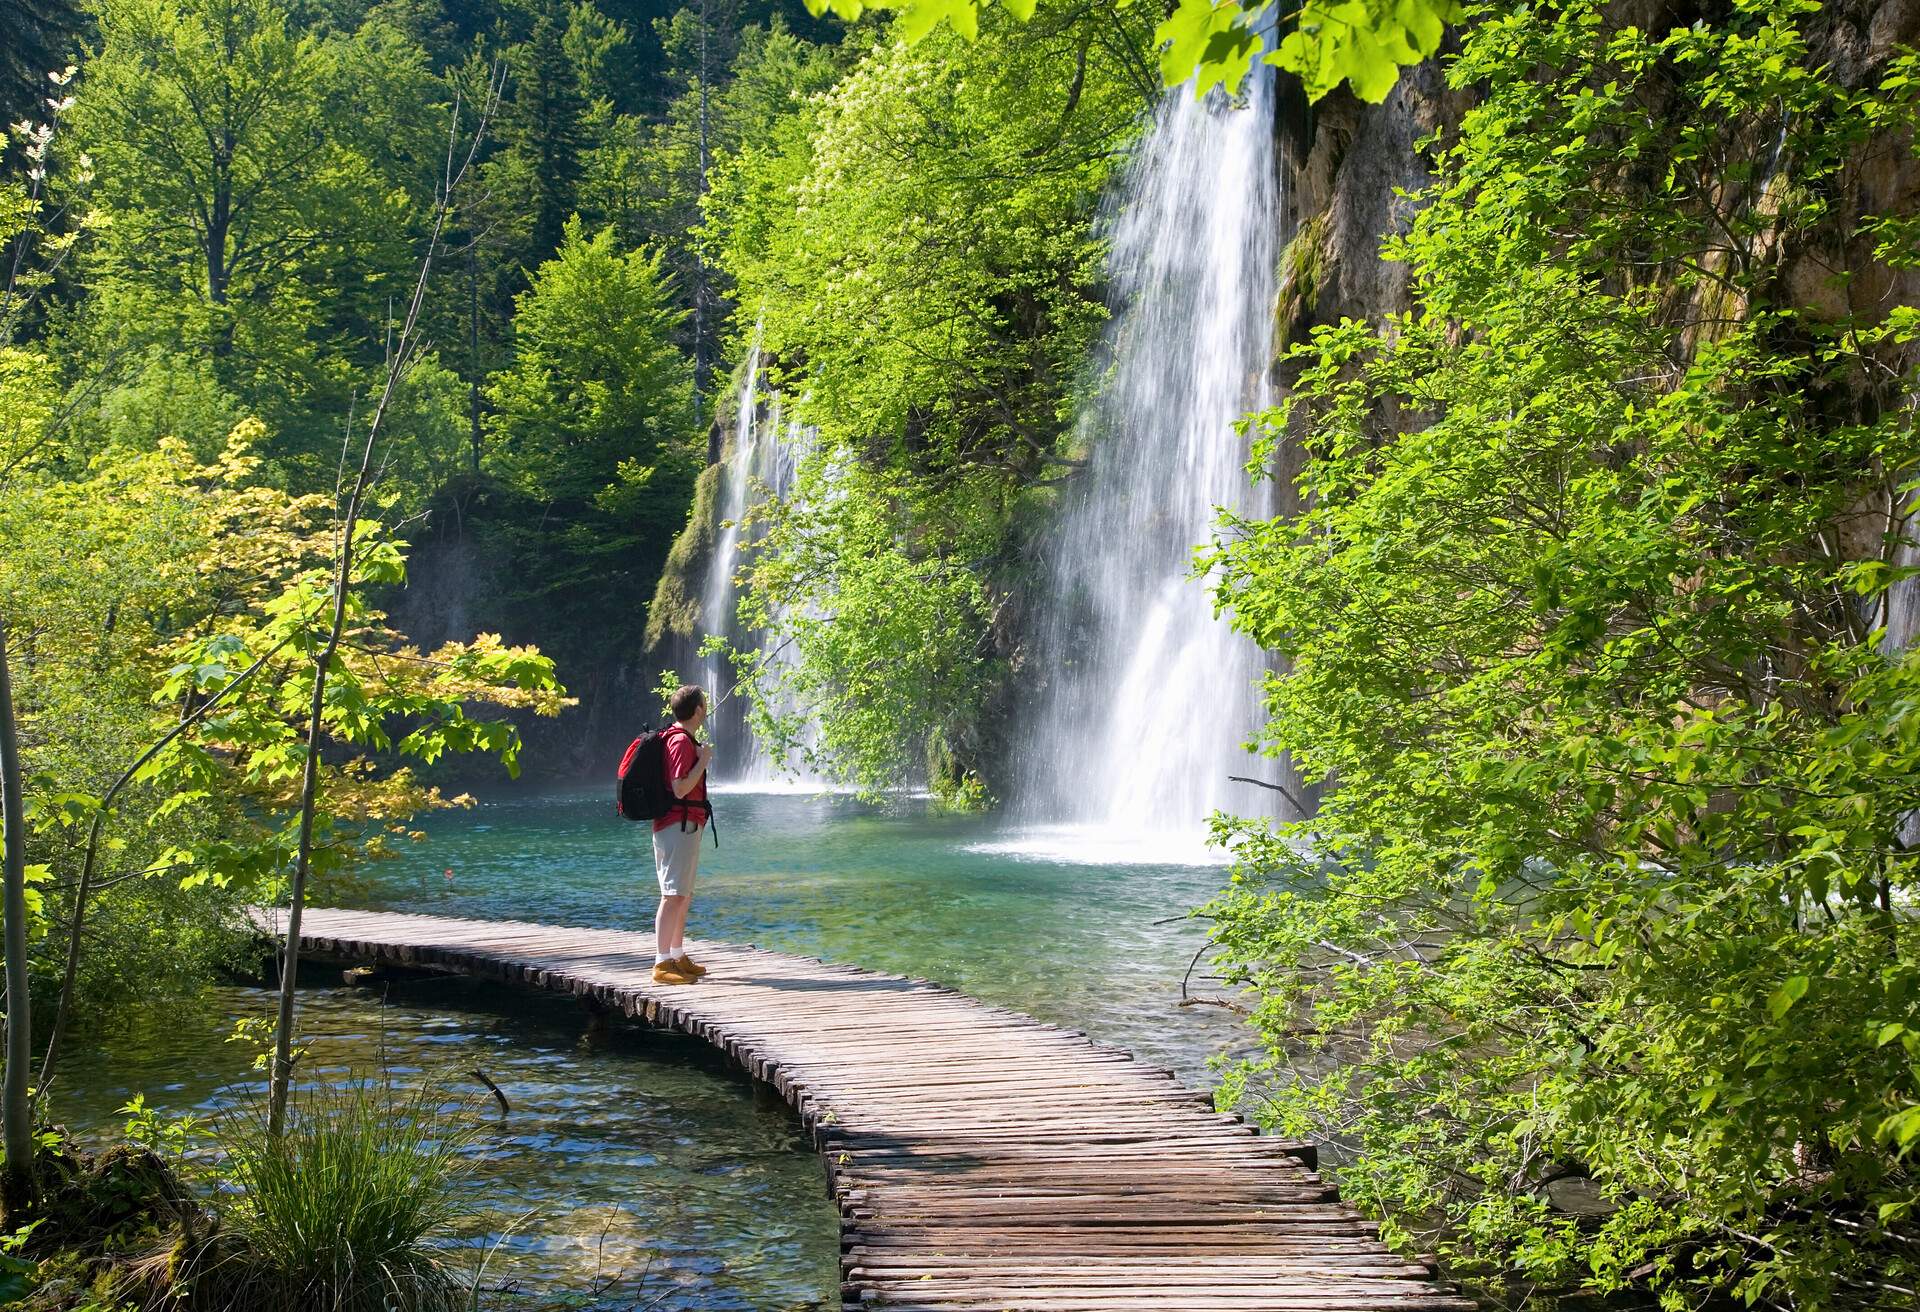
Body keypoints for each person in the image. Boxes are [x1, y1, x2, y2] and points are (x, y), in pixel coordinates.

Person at [651, 684, 713, 985]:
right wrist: (703, 760)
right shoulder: (680, 742)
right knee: (673, 895)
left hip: (685, 824)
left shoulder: (685, 739)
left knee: (682, 894)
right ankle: (661, 963)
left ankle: (677, 955)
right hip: (678, 824)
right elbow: (679, 788)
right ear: (698, 709)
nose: (706, 708)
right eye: (705, 703)